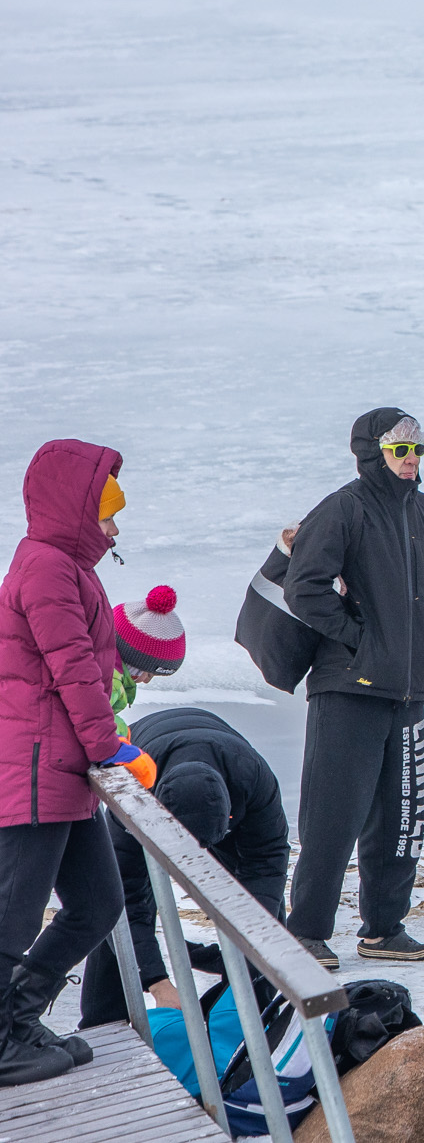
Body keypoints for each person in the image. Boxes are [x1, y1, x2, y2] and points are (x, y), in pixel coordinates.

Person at [285, 409, 424, 968]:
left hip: (409, 694)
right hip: (348, 690)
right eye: (400, 450)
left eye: (418, 449)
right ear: (372, 454)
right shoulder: (343, 509)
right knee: (333, 815)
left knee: (402, 817)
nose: (412, 459)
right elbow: (305, 588)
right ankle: (307, 931)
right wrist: (360, 643)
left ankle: (384, 928)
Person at [0, 441, 158, 1085]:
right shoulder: (45, 569)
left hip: (66, 769)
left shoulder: (72, 567)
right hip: (36, 766)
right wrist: (110, 746)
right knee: (12, 915)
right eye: (108, 510)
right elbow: (72, 668)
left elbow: (96, 666)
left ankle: (18, 1016)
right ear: (76, 507)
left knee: (97, 903)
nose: (116, 527)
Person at [78, 707, 289, 1027]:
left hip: (222, 759)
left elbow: (268, 867)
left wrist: (248, 952)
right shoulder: (134, 793)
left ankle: (251, 1004)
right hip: (150, 755)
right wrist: (156, 982)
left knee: (262, 908)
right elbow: (122, 899)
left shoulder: (253, 780)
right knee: (116, 901)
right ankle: (103, 1018)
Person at [108, 584, 186, 737]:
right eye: (148, 674)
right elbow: (92, 724)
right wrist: (122, 734)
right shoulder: (110, 683)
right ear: (133, 666)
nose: (146, 681)